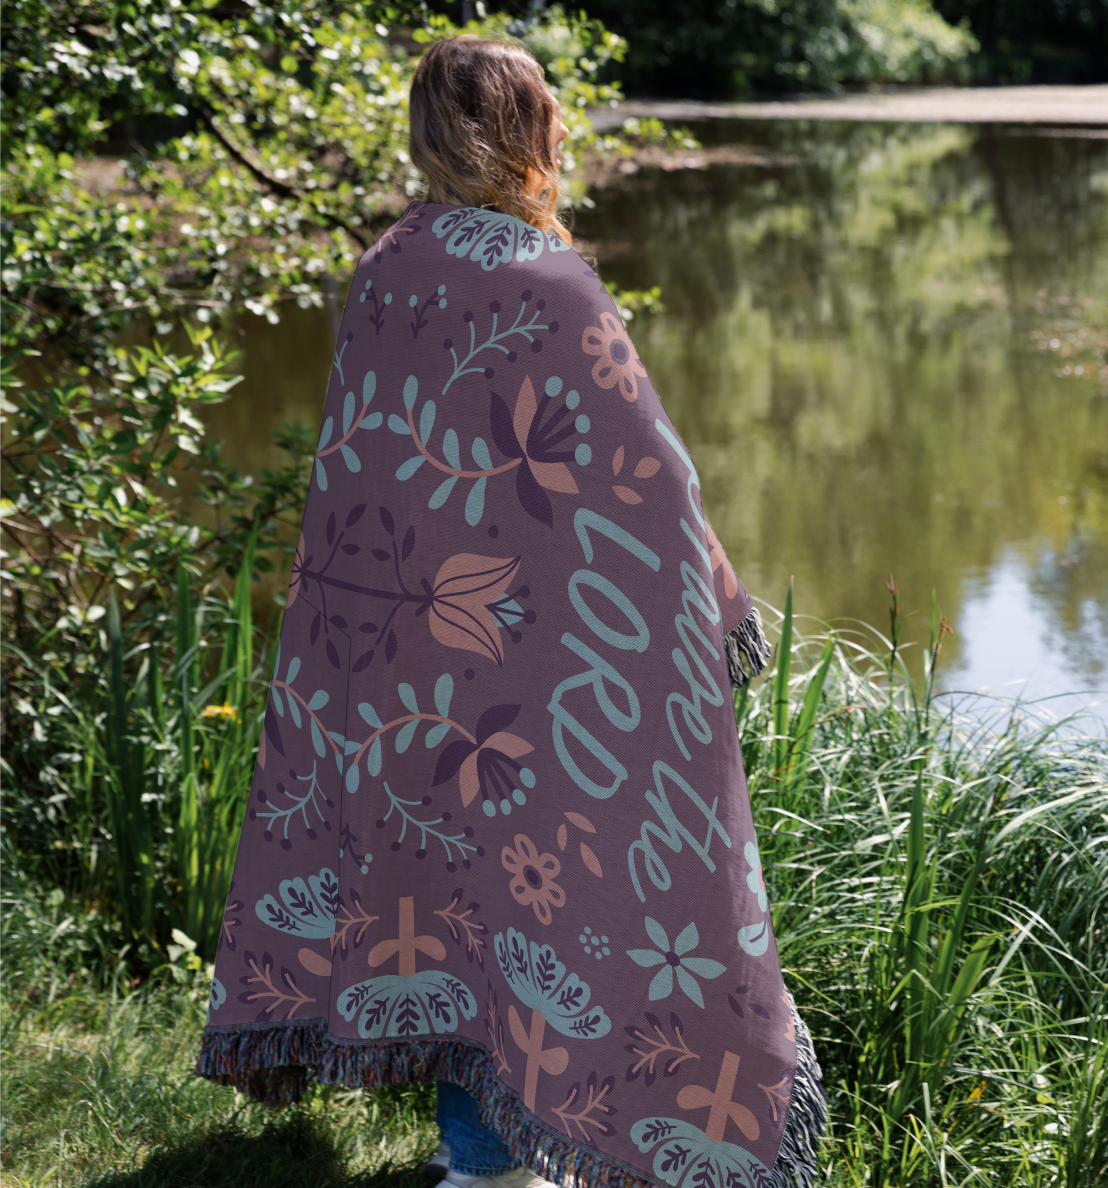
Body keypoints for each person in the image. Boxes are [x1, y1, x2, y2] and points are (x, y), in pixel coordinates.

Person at [196, 34, 825, 1188]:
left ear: (426, 134)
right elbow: (649, 485)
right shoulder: (549, 282)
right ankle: (505, 1158)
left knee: (447, 887)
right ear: (533, 134)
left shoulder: (383, 267)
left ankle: (479, 1155)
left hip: (402, 664)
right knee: (535, 891)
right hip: (531, 673)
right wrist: (713, 610)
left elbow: (368, 487)